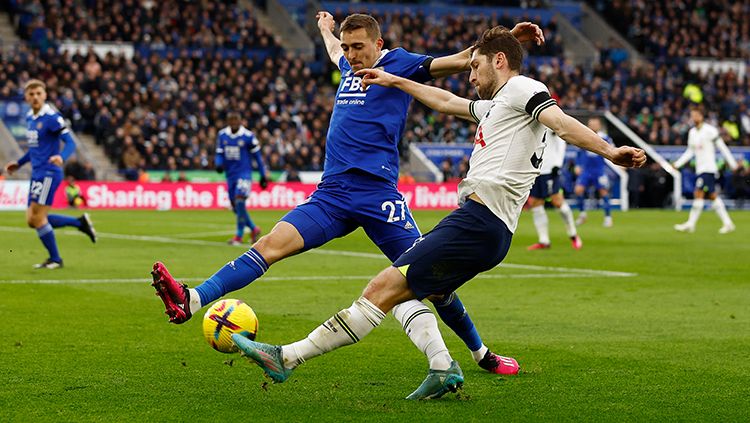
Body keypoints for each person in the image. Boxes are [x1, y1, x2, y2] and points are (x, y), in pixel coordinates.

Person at [230, 26, 646, 399]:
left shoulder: (523, 89)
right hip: (486, 229)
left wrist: (610, 151)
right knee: (420, 291)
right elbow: (445, 100)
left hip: (479, 223)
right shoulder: (498, 105)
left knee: (381, 290)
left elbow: (560, 122)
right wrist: (394, 79)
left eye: (476, 66)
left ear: (499, 61)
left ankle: (287, 357)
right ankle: (445, 367)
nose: (471, 75)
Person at [151, 13, 545, 376]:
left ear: (379, 44)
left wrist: (509, 39)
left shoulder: (400, 62)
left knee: (428, 282)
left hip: (377, 195)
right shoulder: (345, 63)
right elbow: (334, 49)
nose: (351, 55)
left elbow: (460, 60)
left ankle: (477, 355)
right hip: (333, 194)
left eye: (359, 47)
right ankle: (193, 299)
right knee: (269, 244)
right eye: (348, 47)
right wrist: (326, 28)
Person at [3, 79, 97, 268]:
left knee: (38, 218)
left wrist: (62, 156)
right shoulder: (31, 118)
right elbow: (35, 149)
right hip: (37, 173)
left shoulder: (52, 118)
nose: (35, 97)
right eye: (31, 94)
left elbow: (70, 141)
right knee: (31, 220)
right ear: (26, 97)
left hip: (49, 172)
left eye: (39, 93)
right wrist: (19, 164)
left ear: (45, 95)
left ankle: (56, 259)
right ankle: (80, 223)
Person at [673, 105, 738, 234]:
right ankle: (728, 223)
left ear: (702, 116)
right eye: (692, 115)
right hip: (700, 169)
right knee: (712, 196)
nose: (694, 117)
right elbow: (690, 152)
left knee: (698, 193)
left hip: (708, 168)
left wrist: (733, 163)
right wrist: (678, 163)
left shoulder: (710, 131)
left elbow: (722, 147)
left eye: (696, 115)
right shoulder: (692, 133)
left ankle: (691, 224)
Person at [215, 112, 268, 246]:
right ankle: (254, 228)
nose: (233, 124)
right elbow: (219, 153)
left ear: (240, 122)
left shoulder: (248, 136)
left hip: (244, 174)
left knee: (239, 200)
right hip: (230, 175)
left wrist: (263, 175)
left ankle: (238, 236)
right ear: (228, 122)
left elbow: (258, 158)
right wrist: (218, 164)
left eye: (236, 121)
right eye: (231, 121)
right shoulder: (222, 135)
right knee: (235, 207)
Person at [526, 131, 582, 250]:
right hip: (534, 169)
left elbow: (561, 140)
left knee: (557, 201)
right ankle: (544, 240)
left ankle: (573, 235)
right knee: (535, 203)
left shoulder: (547, 117)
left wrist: (558, 163)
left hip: (549, 168)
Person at [574, 117, 615, 227]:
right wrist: (577, 165)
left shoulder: (605, 138)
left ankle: (607, 217)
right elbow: (578, 152)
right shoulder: (584, 136)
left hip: (599, 170)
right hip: (586, 170)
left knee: (603, 193)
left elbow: (613, 151)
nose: (593, 126)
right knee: (578, 190)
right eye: (591, 124)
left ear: (599, 125)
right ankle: (582, 214)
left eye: (595, 124)